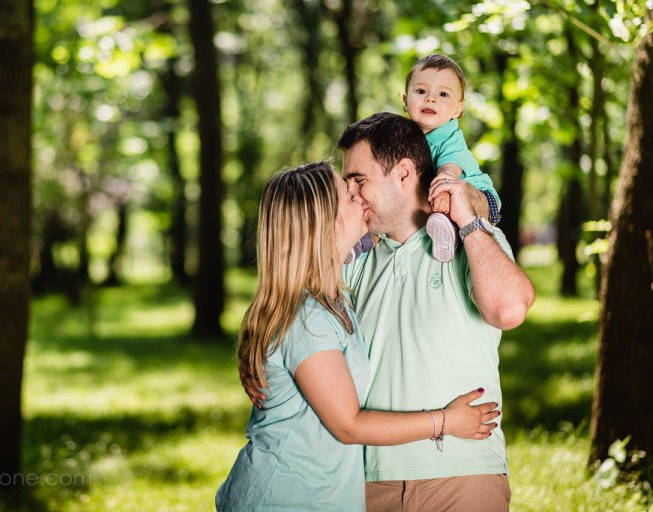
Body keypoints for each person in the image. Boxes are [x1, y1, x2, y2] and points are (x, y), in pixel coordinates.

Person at [217, 161, 501, 511]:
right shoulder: (308, 318)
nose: (361, 196)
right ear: (323, 224)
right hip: (284, 497)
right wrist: (446, 421)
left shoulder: (335, 299)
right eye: (349, 195)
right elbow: (349, 424)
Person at [339, 112, 535, 511]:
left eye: (359, 180)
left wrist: (466, 217)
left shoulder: (474, 240)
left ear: (405, 173)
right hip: (367, 479)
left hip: (462, 473)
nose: (352, 194)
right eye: (348, 184)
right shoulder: (354, 259)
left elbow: (510, 309)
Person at [403, 53, 501, 262]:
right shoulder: (403, 138)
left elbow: (449, 168)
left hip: (481, 196)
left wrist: (445, 180)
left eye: (443, 94)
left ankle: (450, 237)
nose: (430, 98)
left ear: (458, 109)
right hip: (437, 197)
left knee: (445, 191)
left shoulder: (450, 136)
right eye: (421, 91)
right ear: (405, 100)